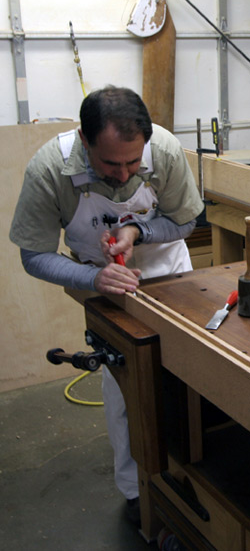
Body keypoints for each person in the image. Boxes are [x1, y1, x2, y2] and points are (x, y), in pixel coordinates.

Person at [10, 85, 204, 523]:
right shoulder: (49, 169)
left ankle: (195, 476)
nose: (123, 174)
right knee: (125, 390)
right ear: (85, 140)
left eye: (133, 163)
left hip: (169, 271)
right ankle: (137, 492)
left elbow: (185, 220)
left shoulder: (164, 151)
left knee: (189, 379)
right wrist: (94, 277)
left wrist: (137, 231)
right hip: (105, 286)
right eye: (111, 164)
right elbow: (33, 255)